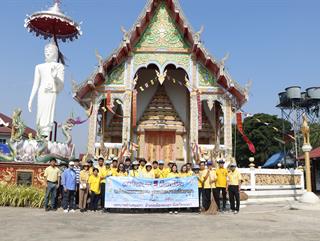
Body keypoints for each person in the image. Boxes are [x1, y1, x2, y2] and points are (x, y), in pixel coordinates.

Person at [28, 41, 64, 137]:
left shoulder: (59, 66)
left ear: (55, 53)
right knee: (39, 116)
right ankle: (39, 136)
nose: (47, 52)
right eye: (46, 50)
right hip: (41, 93)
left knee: (48, 117)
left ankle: (46, 138)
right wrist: (30, 99)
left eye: (50, 50)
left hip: (51, 93)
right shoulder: (39, 67)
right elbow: (35, 84)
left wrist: (55, 77)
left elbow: (61, 86)